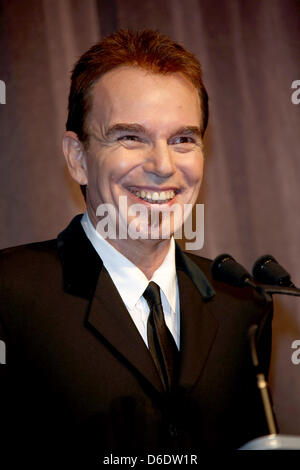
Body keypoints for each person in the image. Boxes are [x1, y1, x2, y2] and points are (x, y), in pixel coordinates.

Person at [0, 29, 272, 464]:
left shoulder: (241, 304)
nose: (163, 166)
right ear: (78, 157)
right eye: (131, 137)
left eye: (183, 139)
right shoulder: (8, 295)